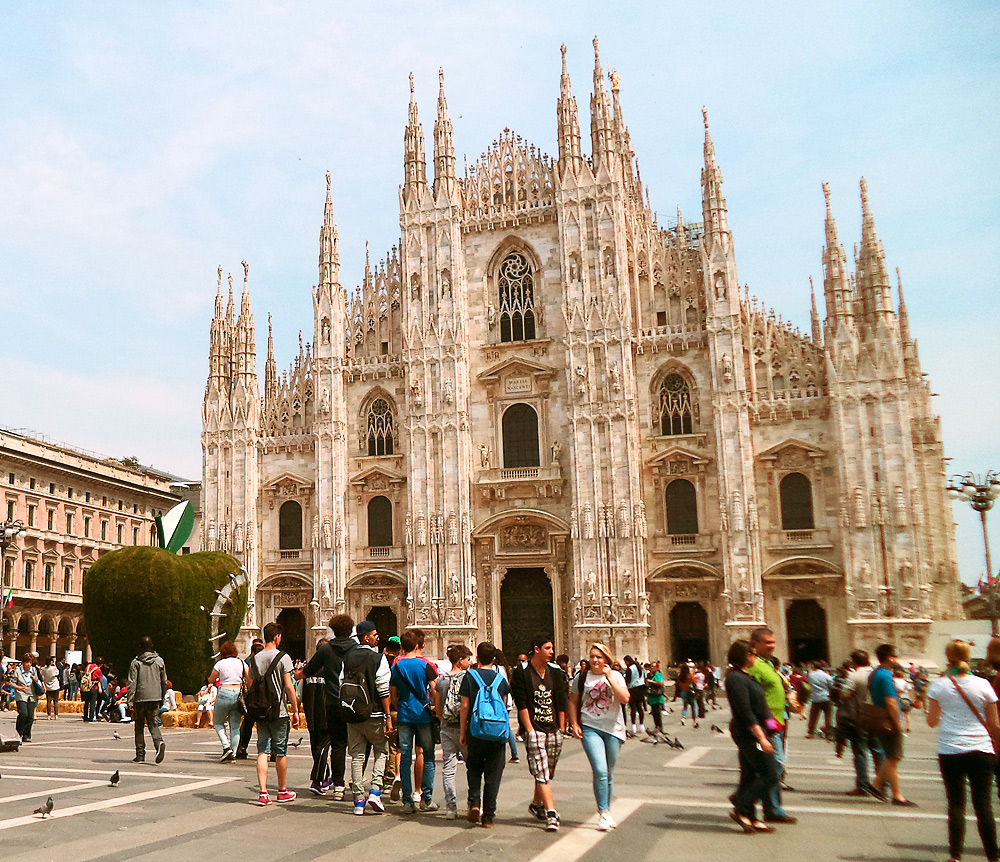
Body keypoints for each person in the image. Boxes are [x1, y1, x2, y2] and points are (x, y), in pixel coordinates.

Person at [927, 640, 999, 862]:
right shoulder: (984, 684)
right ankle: (992, 856)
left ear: (948, 657)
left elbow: (932, 722)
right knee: (983, 805)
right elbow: (994, 724)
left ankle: (955, 856)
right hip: (982, 749)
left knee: (956, 804)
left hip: (951, 749)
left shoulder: (939, 685)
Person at [568, 643, 630, 831]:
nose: (594, 660)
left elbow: (625, 698)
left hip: (613, 728)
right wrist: (574, 723)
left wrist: (609, 677)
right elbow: (573, 701)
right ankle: (602, 812)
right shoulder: (581, 677)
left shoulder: (616, 676)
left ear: (606, 659)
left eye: (599, 657)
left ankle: (607, 811)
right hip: (590, 727)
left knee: (608, 773)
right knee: (600, 770)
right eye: (592, 656)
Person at [511, 633, 569, 832]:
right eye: (548, 648)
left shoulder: (556, 673)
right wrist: (529, 730)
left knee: (545, 771)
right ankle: (551, 813)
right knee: (542, 772)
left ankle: (536, 804)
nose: (552, 652)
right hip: (535, 729)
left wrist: (562, 728)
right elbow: (521, 703)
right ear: (536, 649)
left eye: (552, 648)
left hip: (553, 729)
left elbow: (561, 701)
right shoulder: (522, 673)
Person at [725, 639, 781, 834]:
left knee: (750, 774)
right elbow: (746, 711)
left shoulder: (745, 676)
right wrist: (762, 738)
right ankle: (740, 804)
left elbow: (761, 707)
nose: (755, 657)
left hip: (757, 731)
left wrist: (773, 726)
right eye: (752, 654)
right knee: (770, 774)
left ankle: (750, 817)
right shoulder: (735, 678)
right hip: (749, 734)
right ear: (744, 655)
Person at [299, 614, 357, 799]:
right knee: (358, 746)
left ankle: (338, 786)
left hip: (333, 703)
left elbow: (309, 670)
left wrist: (295, 675)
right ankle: (357, 783)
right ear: (350, 630)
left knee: (338, 745)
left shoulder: (326, 650)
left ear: (333, 630)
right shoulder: (357, 649)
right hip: (354, 703)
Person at [246, 621, 300, 806]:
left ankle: (263, 793)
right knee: (280, 751)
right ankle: (282, 790)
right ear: (277, 637)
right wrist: (295, 710)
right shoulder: (283, 657)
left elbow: (250, 683)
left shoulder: (255, 659)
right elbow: (289, 686)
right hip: (279, 711)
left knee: (262, 749)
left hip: (261, 709)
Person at [746, 627, 796, 824]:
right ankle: (748, 801)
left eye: (773, 642)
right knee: (773, 768)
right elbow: (753, 697)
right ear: (755, 643)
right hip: (766, 725)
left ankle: (770, 808)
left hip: (776, 723)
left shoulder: (767, 664)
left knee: (769, 768)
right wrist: (763, 724)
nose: (772, 646)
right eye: (768, 642)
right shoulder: (754, 666)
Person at [460, 642, 511, 828]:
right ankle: (488, 816)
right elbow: (504, 707)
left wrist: (463, 731)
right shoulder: (501, 680)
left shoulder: (469, 677)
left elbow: (465, 706)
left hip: (476, 730)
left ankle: (474, 802)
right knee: (494, 773)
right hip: (496, 732)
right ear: (494, 659)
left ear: (477, 658)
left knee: (474, 767)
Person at [389, 628, 440, 814]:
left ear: (402, 646)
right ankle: (426, 799)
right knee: (427, 755)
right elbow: (434, 690)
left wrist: (401, 706)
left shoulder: (396, 667)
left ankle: (407, 801)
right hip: (423, 715)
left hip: (404, 715)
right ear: (419, 645)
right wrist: (436, 710)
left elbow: (393, 694)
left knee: (405, 757)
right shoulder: (426, 665)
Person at [344, 620, 392, 816]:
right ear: (366, 637)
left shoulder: (347, 657)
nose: (377, 638)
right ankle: (375, 790)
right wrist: (388, 715)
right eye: (374, 635)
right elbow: (383, 689)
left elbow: (341, 682)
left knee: (357, 756)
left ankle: (358, 800)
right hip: (374, 713)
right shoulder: (378, 658)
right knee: (381, 750)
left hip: (353, 713)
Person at [869, 642, 914, 806]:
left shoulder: (875, 674)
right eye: (895, 656)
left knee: (892, 756)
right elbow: (891, 701)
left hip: (879, 718)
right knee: (893, 757)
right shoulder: (886, 676)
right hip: (888, 719)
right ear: (889, 657)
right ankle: (897, 795)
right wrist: (897, 723)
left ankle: (876, 784)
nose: (897, 659)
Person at [837, 650, 884, 797]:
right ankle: (882, 785)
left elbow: (844, 694)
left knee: (860, 752)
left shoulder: (854, 675)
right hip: (876, 716)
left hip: (859, 717)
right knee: (877, 751)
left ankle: (862, 787)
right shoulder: (876, 674)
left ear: (854, 661)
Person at [437, 643, 472, 819]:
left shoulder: (442, 680)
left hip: (447, 728)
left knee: (448, 770)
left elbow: (437, 705)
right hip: (464, 728)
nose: (470, 663)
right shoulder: (468, 678)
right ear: (460, 660)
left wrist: (443, 721)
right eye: (467, 659)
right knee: (472, 767)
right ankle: (473, 803)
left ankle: (451, 808)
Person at [126, 636, 168, 764]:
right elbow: (164, 681)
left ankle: (140, 754)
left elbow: (132, 682)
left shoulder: (136, 662)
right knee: (153, 723)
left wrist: (130, 700)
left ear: (140, 647)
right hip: (155, 697)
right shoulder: (159, 661)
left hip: (140, 698)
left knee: (139, 726)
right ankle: (158, 742)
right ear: (152, 646)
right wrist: (162, 696)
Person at [207, 641, 244, 762]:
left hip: (224, 691)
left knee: (218, 722)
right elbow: (248, 677)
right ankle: (233, 753)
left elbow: (212, 679)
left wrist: (210, 679)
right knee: (235, 726)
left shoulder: (220, 663)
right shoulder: (241, 662)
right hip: (238, 692)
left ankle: (226, 746)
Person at [234, 639, 264, 759]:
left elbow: (248, 680)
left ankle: (242, 748)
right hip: (265, 698)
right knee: (266, 725)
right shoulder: (267, 661)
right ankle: (270, 751)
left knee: (247, 724)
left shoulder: (248, 662)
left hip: (252, 698)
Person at [11, 653, 40, 742]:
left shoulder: (33, 670)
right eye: (27, 662)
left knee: (30, 716)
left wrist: (35, 679)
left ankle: (27, 734)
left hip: (31, 695)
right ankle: (18, 732)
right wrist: (19, 688)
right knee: (23, 713)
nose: (28, 664)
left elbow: (38, 679)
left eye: (30, 662)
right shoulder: (17, 671)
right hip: (21, 695)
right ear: (23, 662)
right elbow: (12, 683)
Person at [806, 661, 834, 739]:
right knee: (828, 716)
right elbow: (831, 685)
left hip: (815, 698)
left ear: (814, 667)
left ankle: (811, 732)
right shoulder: (827, 676)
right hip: (826, 697)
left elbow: (809, 683)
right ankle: (829, 733)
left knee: (813, 716)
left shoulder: (811, 675)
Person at [624, 655, 646, 736]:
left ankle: (633, 725)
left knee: (633, 707)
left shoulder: (630, 669)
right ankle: (641, 725)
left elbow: (628, 680)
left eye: (625, 662)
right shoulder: (640, 668)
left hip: (632, 688)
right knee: (639, 707)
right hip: (641, 687)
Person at [646, 661, 666, 734]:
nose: (652, 668)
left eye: (653, 666)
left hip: (657, 696)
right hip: (652, 696)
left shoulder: (658, 675)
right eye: (651, 666)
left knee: (657, 712)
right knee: (654, 712)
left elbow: (660, 683)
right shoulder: (649, 675)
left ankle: (659, 727)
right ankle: (656, 726)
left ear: (657, 668)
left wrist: (651, 681)